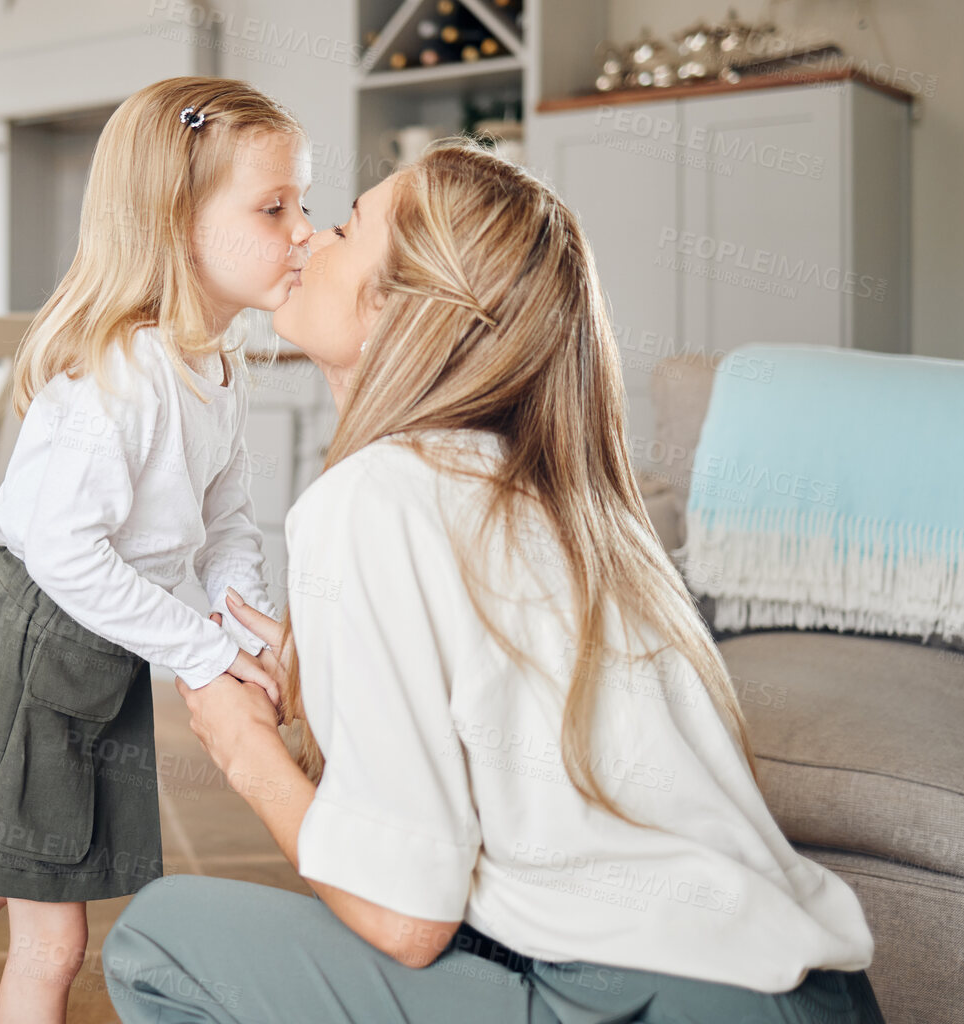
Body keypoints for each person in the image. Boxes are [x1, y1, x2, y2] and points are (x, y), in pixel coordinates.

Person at [103, 139, 887, 1024]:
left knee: (160, 939)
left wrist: (245, 752)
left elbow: (405, 921)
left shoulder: (371, 498)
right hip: (815, 997)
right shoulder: (558, 498)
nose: (311, 238)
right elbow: (498, 724)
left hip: (648, 1003)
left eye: (347, 226)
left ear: (399, 305)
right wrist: (326, 670)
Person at [0, 77, 315, 1024]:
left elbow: (228, 521)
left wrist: (243, 624)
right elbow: (67, 556)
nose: (304, 231)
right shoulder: (126, 373)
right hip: (35, 643)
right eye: (273, 207)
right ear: (179, 221)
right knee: (54, 937)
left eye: (304, 205)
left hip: (90, 648)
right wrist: (201, 651)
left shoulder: (216, 364)